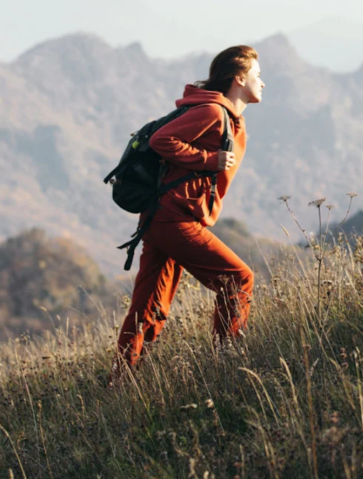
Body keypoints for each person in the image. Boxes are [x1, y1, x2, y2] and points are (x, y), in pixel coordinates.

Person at [113, 45, 264, 378]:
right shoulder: (212, 112)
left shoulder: (227, 117)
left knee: (149, 308)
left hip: (163, 217)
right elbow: (162, 140)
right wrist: (208, 160)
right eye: (257, 75)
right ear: (239, 78)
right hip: (172, 218)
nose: (262, 82)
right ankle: (228, 366)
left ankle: (120, 383)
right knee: (238, 280)